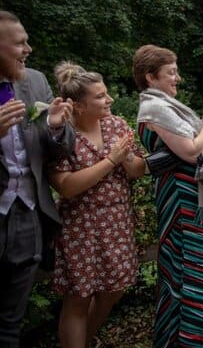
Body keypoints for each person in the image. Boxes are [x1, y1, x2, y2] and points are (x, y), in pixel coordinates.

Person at [133, 45, 203, 348]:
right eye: (171, 72)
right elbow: (192, 151)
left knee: (200, 267)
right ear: (151, 77)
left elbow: (189, 141)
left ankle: (202, 338)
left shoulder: (166, 105)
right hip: (182, 199)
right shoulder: (155, 108)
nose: (178, 78)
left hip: (191, 195)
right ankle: (187, 341)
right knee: (189, 270)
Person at [49, 62, 145, 348]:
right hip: (80, 225)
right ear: (78, 106)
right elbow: (66, 186)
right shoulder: (62, 135)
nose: (109, 100)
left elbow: (138, 170)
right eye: (101, 96)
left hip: (117, 222)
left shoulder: (115, 124)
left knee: (114, 290)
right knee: (78, 300)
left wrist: (126, 158)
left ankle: (84, 341)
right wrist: (111, 159)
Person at [0, 11, 75, 348]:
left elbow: (57, 152)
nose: (28, 48)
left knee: (10, 324)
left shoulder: (34, 81)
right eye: (20, 43)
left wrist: (56, 128)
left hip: (29, 215)